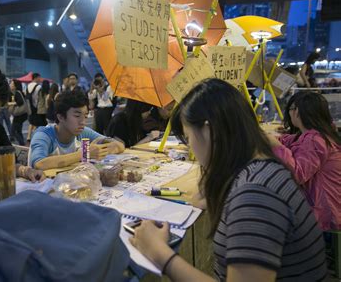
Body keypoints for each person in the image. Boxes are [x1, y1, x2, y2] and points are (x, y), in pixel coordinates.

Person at [130, 78, 326, 281]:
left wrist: (159, 253)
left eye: (189, 138)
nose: (191, 150)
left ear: (209, 131)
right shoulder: (261, 169)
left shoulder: (254, 194)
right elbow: (200, 199)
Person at [268, 91, 341, 230]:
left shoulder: (315, 140)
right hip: (331, 211)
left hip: (324, 218)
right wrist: (275, 139)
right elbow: (291, 140)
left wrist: (276, 146)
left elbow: (297, 174)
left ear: (297, 111)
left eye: (290, 109)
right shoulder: (321, 134)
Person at [28, 90, 124, 170]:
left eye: (85, 116)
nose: (83, 122)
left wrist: (103, 150)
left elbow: (120, 145)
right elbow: (39, 164)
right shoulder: (44, 134)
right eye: (77, 116)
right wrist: (85, 153)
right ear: (61, 117)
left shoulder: (82, 131)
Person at [10, 79, 28, 146]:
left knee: (15, 131)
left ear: (15, 86)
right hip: (22, 114)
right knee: (18, 130)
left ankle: (22, 144)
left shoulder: (17, 92)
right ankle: (22, 144)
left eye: (11, 84)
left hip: (19, 114)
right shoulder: (18, 92)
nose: (10, 85)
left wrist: (11, 103)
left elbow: (20, 102)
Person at [26, 72, 42, 142]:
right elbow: (39, 98)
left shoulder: (28, 86)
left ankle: (29, 136)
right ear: (36, 78)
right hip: (36, 107)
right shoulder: (38, 86)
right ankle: (35, 138)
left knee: (31, 122)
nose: (40, 79)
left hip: (29, 107)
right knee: (37, 123)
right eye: (39, 78)